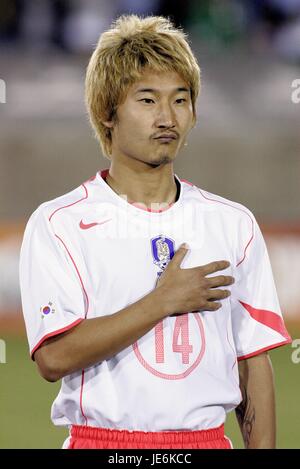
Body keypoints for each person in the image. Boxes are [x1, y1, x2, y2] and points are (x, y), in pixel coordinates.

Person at [19, 14, 291, 450]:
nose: (167, 117)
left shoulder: (232, 223)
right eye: (147, 100)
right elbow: (53, 358)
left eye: (180, 100)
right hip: (104, 445)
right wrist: (162, 302)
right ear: (107, 113)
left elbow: (252, 363)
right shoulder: (60, 223)